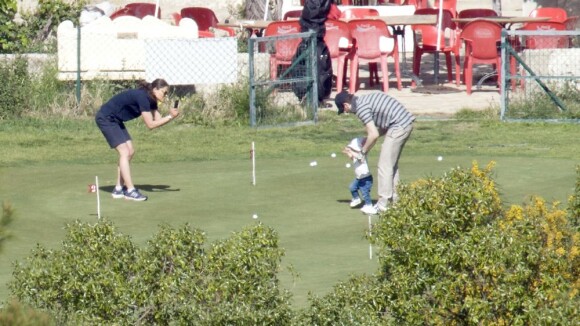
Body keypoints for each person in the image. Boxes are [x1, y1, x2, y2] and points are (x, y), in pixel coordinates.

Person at [95, 79, 179, 201]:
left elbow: (157, 120)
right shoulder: (143, 97)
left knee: (130, 151)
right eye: (164, 92)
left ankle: (118, 189)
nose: (165, 96)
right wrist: (170, 116)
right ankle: (130, 190)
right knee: (125, 152)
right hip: (106, 118)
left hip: (116, 120)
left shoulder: (151, 100)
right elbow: (150, 125)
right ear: (155, 89)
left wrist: (171, 116)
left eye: (166, 94)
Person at [335, 90, 415, 214]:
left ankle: (382, 205)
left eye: (344, 110)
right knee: (391, 165)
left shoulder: (361, 108)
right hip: (402, 123)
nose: (346, 112)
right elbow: (382, 127)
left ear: (346, 105)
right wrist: (367, 141)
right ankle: (397, 201)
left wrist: (362, 152)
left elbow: (374, 134)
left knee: (384, 165)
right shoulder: (364, 100)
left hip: (399, 125)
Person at [342, 137, 374, 214]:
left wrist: (351, 151)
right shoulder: (355, 156)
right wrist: (347, 152)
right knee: (352, 187)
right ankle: (356, 199)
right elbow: (352, 157)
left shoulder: (362, 155)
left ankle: (369, 205)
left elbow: (359, 158)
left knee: (364, 192)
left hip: (366, 178)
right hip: (359, 178)